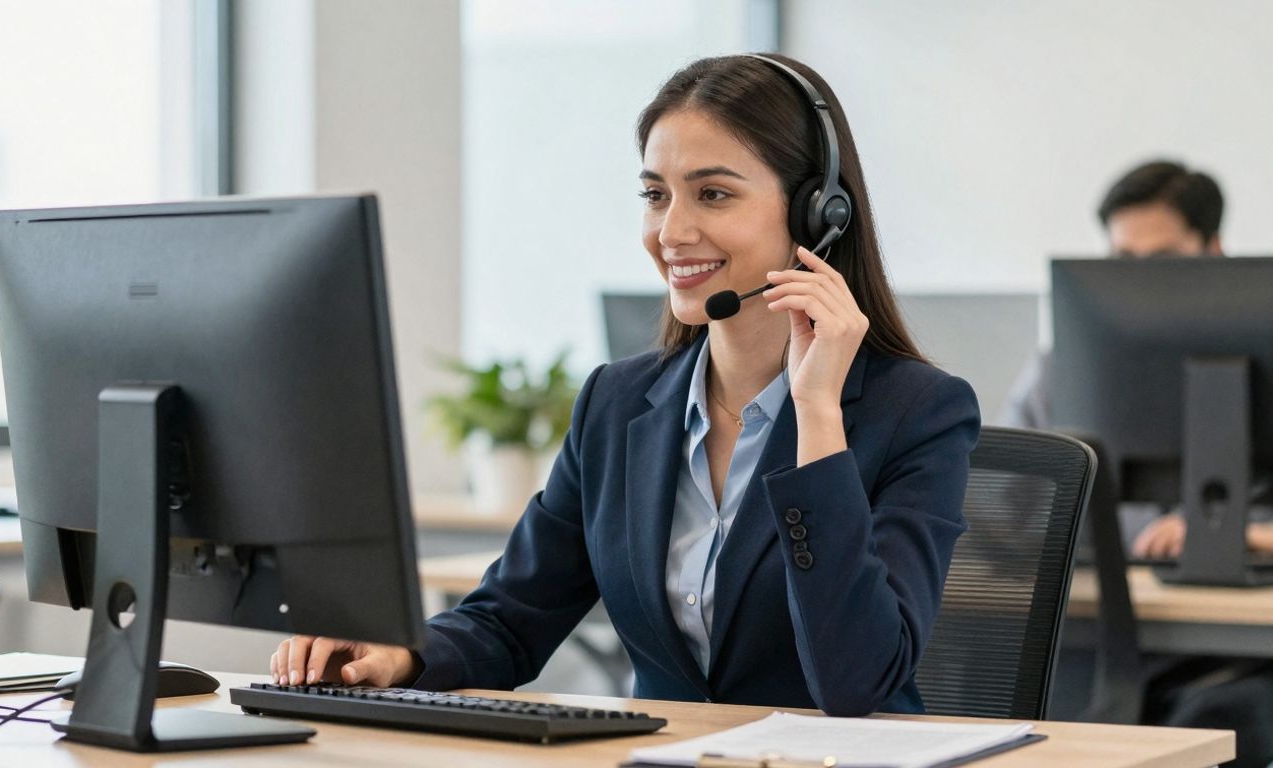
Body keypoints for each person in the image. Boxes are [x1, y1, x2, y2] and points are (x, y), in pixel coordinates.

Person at [270, 54, 980, 717]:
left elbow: (858, 684)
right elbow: (512, 619)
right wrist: (400, 656)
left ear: (819, 214)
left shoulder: (917, 413)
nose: (671, 231)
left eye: (713, 194)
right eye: (655, 194)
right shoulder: (617, 404)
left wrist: (817, 415)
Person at [998, 160, 1273, 558]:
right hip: (1098, 607)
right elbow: (989, 505)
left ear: (1213, 251)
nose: (1141, 283)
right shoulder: (1064, 373)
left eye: (1164, 260)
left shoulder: (1260, 362)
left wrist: (1243, 535)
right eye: (1123, 261)